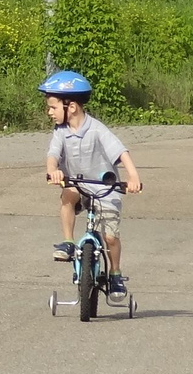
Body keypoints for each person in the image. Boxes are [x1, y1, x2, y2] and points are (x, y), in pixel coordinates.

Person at [40, 70, 142, 303]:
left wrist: (133, 177)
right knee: (68, 195)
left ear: (71, 107)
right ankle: (67, 242)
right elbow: (52, 155)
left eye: (53, 107)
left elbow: (121, 153)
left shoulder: (97, 129)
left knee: (111, 237)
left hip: (105, 186)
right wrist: (53, 171)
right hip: (78, 184)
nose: (49, 112)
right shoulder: (60, 132)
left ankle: (115, 272)